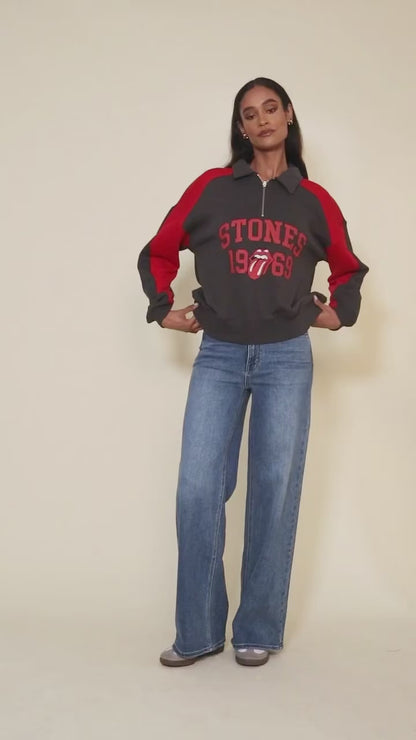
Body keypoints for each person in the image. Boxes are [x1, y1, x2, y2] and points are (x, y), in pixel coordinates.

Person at [137, 77, 368, 668]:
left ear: (288, 116)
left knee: (273, 489)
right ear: (240, 127)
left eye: (271, 108)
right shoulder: (212, 189)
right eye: (249, 113)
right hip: (219, 354)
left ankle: (258, 628)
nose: (261, 120)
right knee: (197, 490)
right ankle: (197, 631)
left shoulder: (314, 201)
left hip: (286, 358)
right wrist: (163, 308)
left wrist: (337, 313)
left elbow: (348, 268)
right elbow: (159, 250)